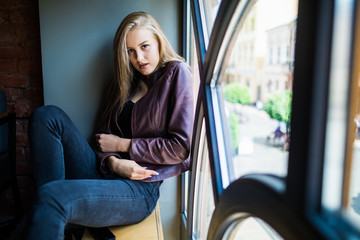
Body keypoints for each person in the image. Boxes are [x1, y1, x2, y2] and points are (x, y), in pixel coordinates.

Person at [24, 11, 194, 239]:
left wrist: (124, 145)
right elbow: (102, 136)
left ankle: (59, 211)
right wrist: (114, 164)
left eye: (145, 47)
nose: (139, 58)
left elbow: (180, 147)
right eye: (130, 51)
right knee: (46, 116)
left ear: (158, 41)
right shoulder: (125, 82)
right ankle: (65, 221)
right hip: (104, 170)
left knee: (52, 196)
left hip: (139, 189)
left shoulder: (177, 73)